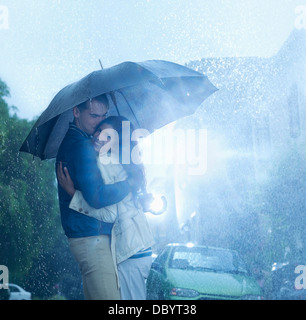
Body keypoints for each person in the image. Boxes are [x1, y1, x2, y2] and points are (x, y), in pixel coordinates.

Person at [57, 116, 155, 300]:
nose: (99, 136)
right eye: (99, 130)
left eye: (108, 136)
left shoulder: (108, 163)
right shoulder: (125, 164)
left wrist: (74, 195)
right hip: (138, 248)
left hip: (129, 251)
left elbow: (110, 214)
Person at [56, 95, 132, 300]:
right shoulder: (81, 145)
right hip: (92, 238)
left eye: (104, 115)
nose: (100, 122)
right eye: (93, 115)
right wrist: (129, 184)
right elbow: (96, 197)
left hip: (85, 236)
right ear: (76, 112)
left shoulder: (75, 141)